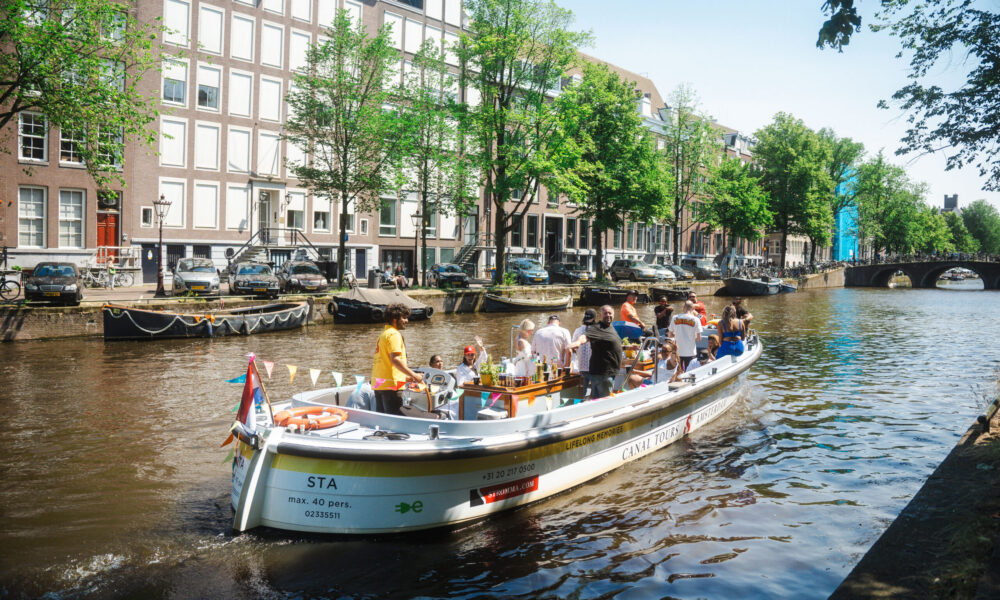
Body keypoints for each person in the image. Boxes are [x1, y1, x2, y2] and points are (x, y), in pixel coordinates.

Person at [371, 303, 423, 415]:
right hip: (391, 386)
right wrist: (415, 376)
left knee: (382, 418)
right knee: (394, 418)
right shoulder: (394, 334)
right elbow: (395, 360)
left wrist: (405, 377)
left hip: (379, 384)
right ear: (395, 319)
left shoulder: (383, 335)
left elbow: (386, 363)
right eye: (404, 318)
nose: (407, 321)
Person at [568, 305, 622, 399]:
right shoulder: (597, 328)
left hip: (607, 373)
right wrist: (578, 342)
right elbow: (585, 337)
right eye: (605, 313)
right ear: (601, 315)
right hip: (603, 373)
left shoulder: (610, 328)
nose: (608, 315)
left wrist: (626, 347)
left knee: (597, 400)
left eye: (610, 313)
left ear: (613, 314)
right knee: (605, 401)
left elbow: (611, 344)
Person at [669, 300, 703, 370]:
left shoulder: (675, 317)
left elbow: (670, 335)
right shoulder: (696, 319)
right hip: (690, 352)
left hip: (678, 352)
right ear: (692, 308)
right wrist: (692, 336)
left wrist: (677, 335)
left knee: (678, 371)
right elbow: (699, 339)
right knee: (689, 372)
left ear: (683, 307)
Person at [571, 309, 597, 397]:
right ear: (594, 319)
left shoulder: (577, 330)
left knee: (582, 392)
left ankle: (582, 402)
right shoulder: (597, 331)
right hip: (594, 367)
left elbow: (573, 347)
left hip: (581, 366)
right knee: (594, 393)